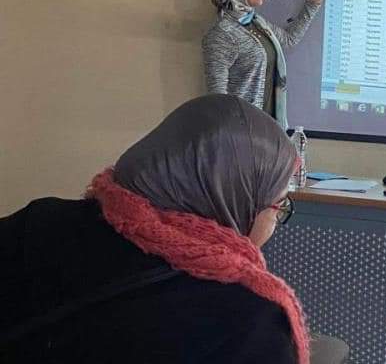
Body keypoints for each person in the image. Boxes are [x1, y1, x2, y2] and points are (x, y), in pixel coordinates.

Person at [0, 94, 348, 364]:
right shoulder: (249, 319)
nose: (276, 220)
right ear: (236, 202)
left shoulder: (37, 222)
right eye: (278, 205)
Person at [202, 0, 331, 129]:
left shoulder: (257, 22)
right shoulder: (222, 34)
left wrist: (312, 4)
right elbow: (217, 97)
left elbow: (289, 39)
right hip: (242, 131)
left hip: (268, 127)